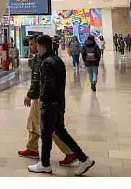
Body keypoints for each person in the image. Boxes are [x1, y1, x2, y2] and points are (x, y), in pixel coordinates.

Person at [28, 35, 95, 175]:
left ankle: (45, 164)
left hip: (50, 104)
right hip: (59, 103)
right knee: (60, 131)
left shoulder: (46, 62)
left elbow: (48, 84)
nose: (37, 49)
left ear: (43, 46)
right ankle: (83, 159)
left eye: (38, 46)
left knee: (46, 134)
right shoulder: (58, 60)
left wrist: (42, 99)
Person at [18, 36, 78, 166]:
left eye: (34, 45)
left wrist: (32, 95)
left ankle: (70, 152)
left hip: (43, 100)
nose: (32, 47)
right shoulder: (38, 59)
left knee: (51, 129)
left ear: (42, 46)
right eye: (31, 45)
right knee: (33, 122)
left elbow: (39, 81)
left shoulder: (43, 60)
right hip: (39, 98)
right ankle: (32, 148)